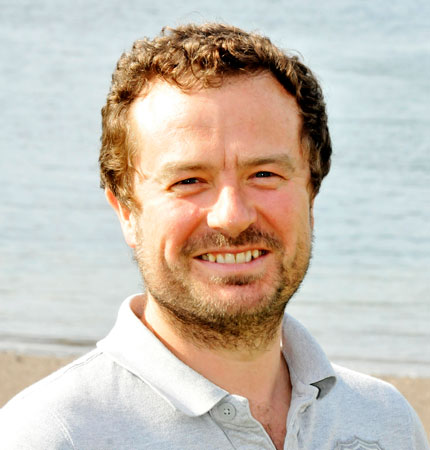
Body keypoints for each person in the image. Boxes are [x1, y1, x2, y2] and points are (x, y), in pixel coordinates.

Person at [1, 23, 428, 450]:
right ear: (127, 212)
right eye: (188, 180)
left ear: (310, 197)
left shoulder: (385, 422)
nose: (232, 217)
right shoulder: (50, 435)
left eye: (264, 174)